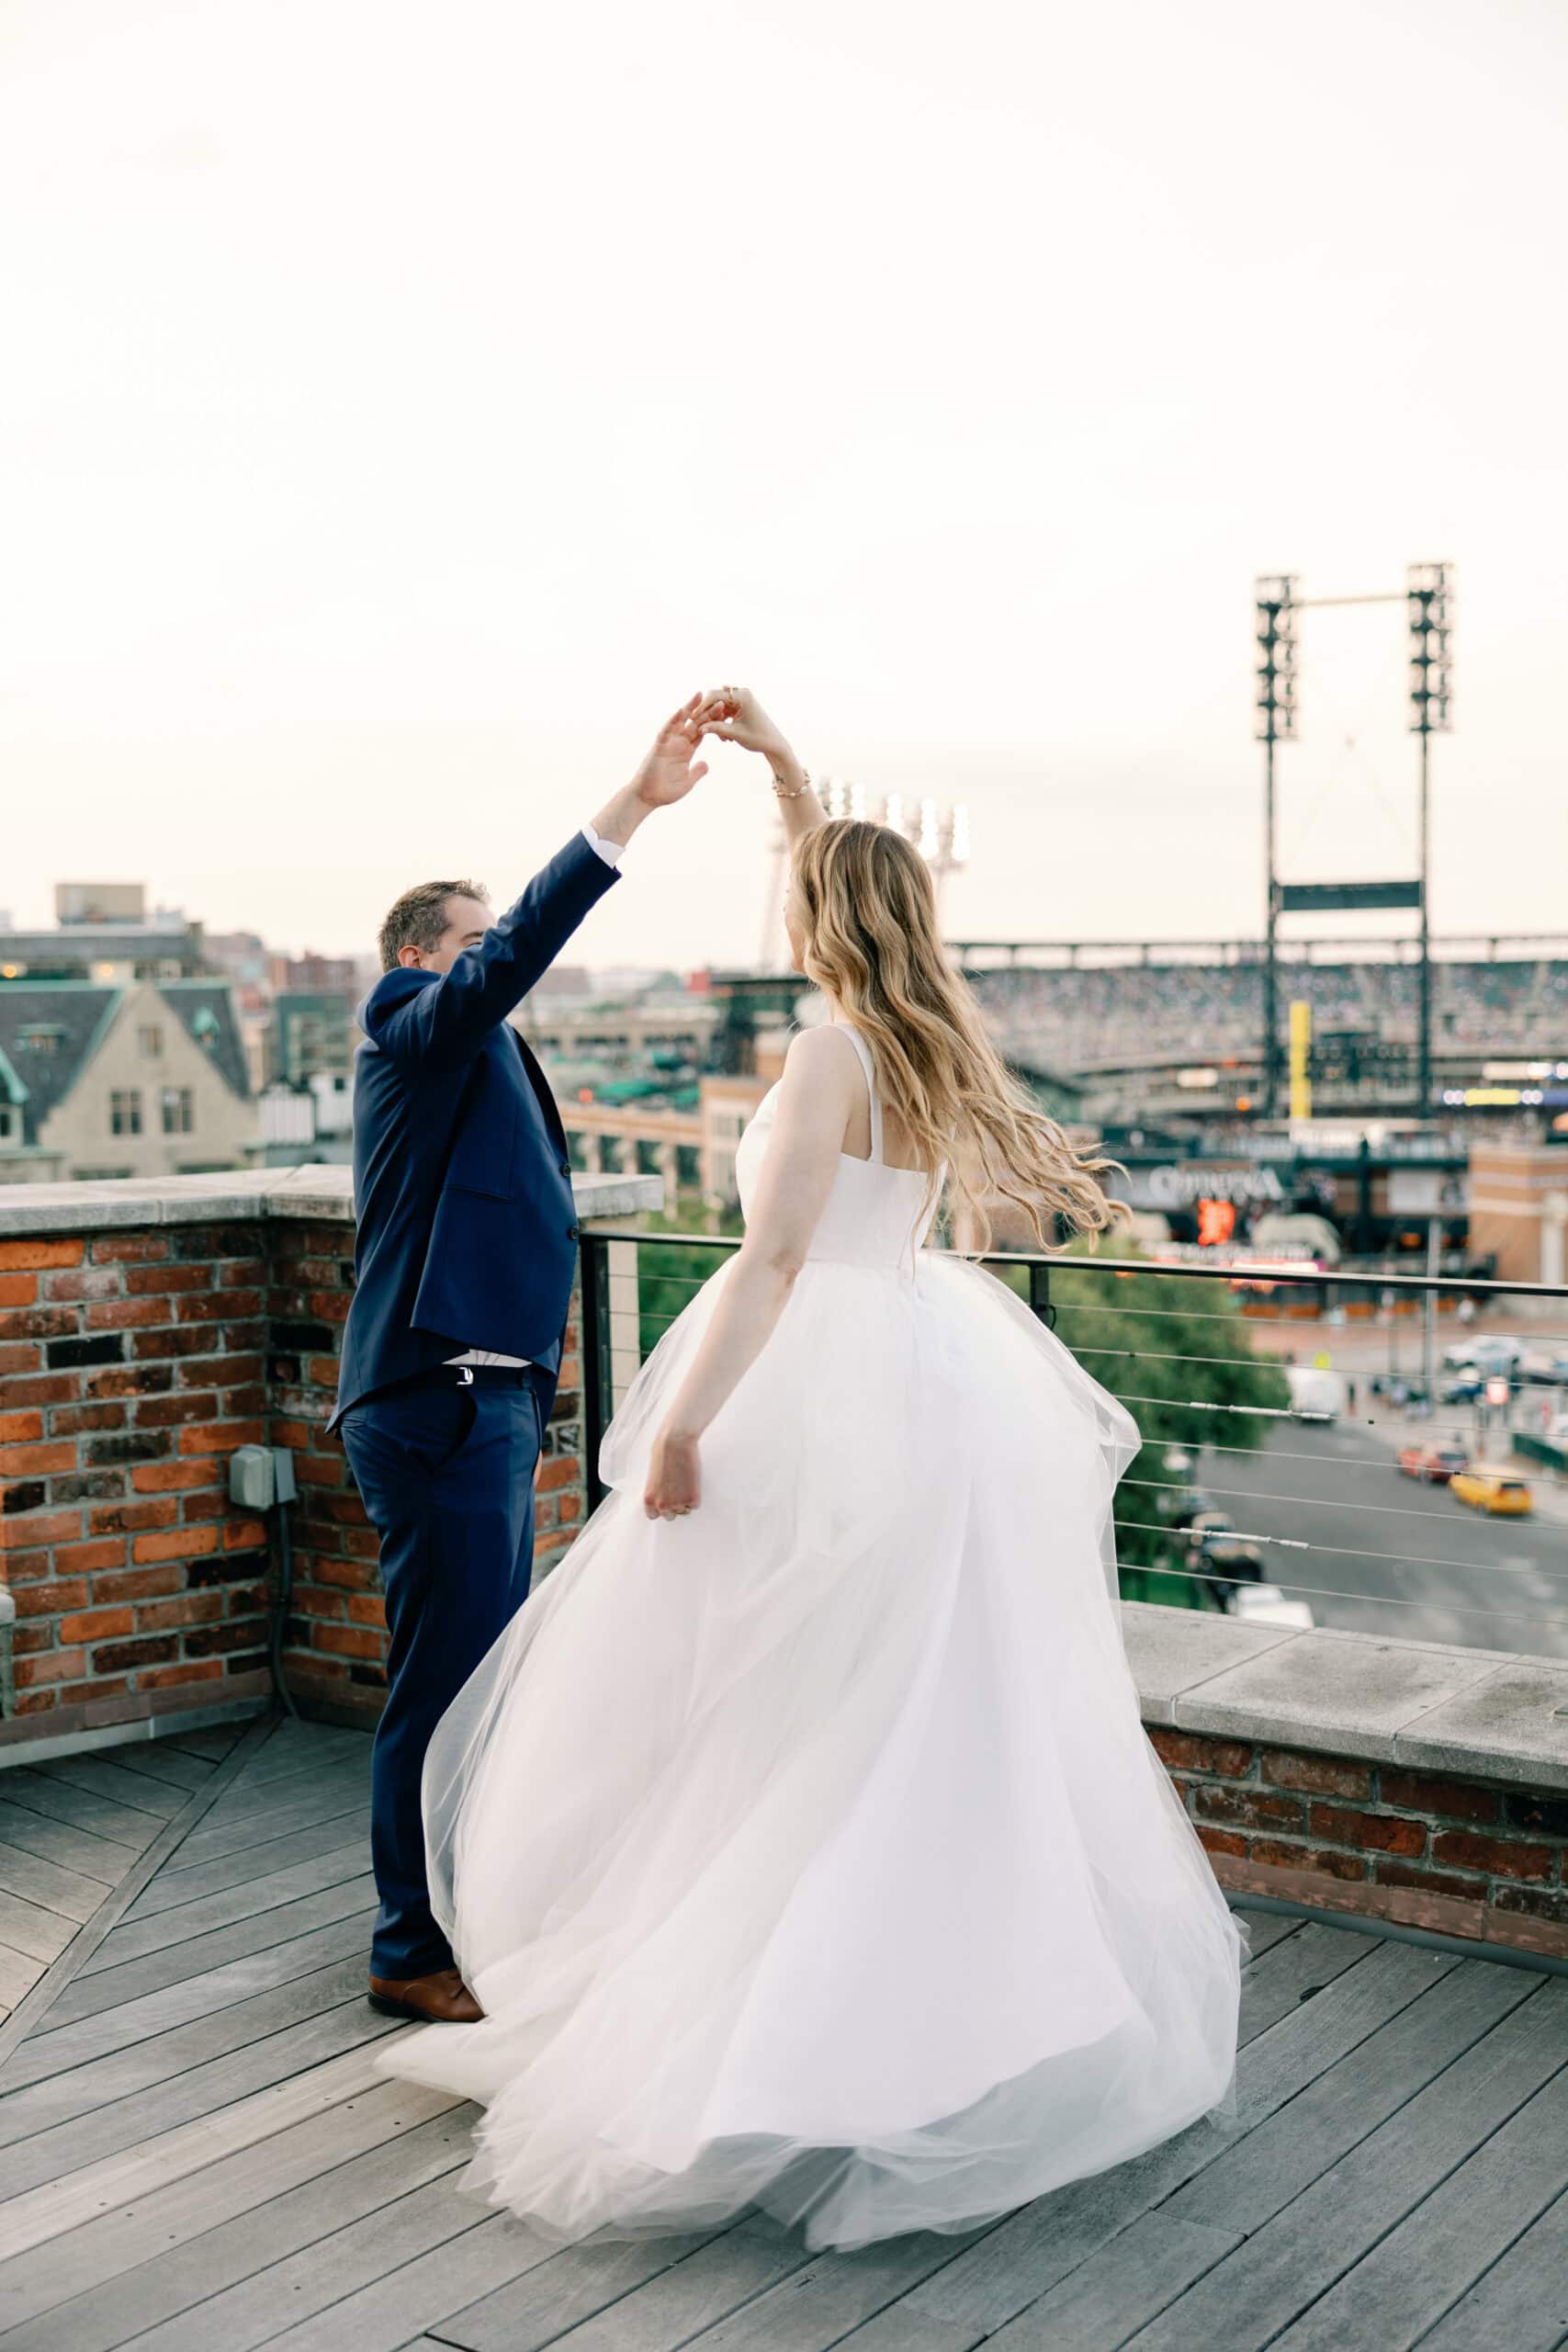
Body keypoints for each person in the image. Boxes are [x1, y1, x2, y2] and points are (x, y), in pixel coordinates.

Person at [377, 688, 1244, 2250]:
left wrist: (683, 1427)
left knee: (758, 1701)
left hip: (808, 1375)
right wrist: (784, 773)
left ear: (822, 918)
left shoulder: (830, 1046)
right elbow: (835, 875)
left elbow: (773, 1262)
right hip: (924, 1370)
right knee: (891, 1700)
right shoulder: (918, 1038)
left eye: (797, 890)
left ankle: (768, 2007)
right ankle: (932, 1992)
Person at [331, 695, 711, 2027]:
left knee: (479, 1686)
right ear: (419, 957)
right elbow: (505, 966)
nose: (494, 959)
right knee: (442, 1691)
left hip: (480, 1401)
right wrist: (632, 807)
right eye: (474, 942)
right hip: (438, 1402)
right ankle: (406, 1949)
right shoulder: (408, 1016)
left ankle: (464, 1916)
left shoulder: (463, 1049)